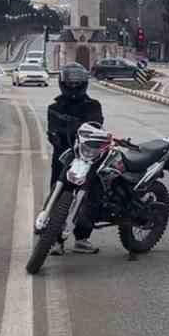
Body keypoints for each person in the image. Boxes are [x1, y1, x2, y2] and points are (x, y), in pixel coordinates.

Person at [41, 64, 105, 255]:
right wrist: (56, 135)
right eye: (70, 80)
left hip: (87, 158)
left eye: (78, 80)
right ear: (63, 82)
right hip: (63, 158)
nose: (74, 84)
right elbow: (53, 130)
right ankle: (54, 240)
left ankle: (82, 238)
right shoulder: (54, 107)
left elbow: (96, 125)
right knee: (57, 195)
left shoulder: (93, 105)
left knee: (91, 195)